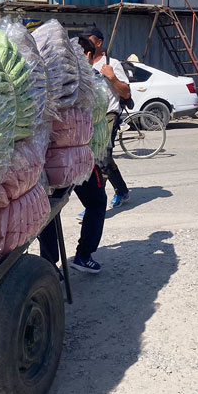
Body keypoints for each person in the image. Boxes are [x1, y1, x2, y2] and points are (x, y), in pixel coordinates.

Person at [84, 27, 131, 208]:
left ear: (98, 43)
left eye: (88, 40)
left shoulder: (112, 63)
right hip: (90, 117)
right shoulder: (83, 62)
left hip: (109, 114)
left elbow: (126, 93)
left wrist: (112, 78)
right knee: (103, 156)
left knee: (101, 157)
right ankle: (122, 191)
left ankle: (95, 206)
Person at [38, 166, 106, 274]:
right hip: (76, 159)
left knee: (50, 210)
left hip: (51, 163)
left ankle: (50, 265)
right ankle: (83, 255)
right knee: (96, 202)